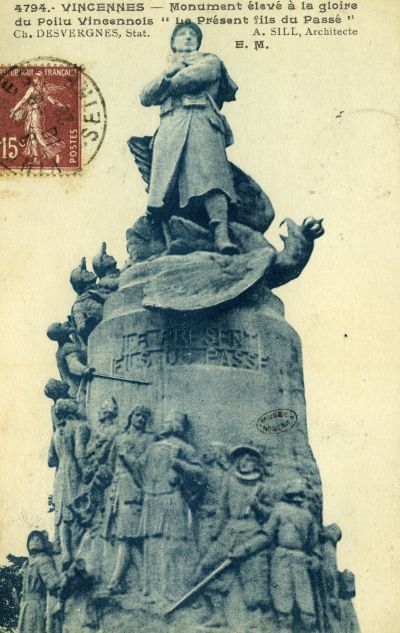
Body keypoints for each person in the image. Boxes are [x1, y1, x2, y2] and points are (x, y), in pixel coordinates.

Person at [140, 23, 239, 255]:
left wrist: (167, 83)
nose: (187, 37)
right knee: (164, 190)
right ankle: (171, 242)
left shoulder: (210, 60)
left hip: (201, 120)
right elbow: (145, 96)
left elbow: (196, 77)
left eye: (192, 34)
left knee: (212, 179)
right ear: (173, 43)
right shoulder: (168, 69)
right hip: (170, 126)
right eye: (181, 34)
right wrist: (168, 72)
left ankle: (221, 236)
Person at [197, 445, 272, 629]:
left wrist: (257, 506)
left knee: (255, 574)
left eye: (250, 461)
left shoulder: (262, 487)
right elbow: (222, 508)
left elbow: (270, 516)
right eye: (242, 460)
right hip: (229, 531)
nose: (245, 463)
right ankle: (218, 614)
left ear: (256, 464)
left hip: (252, 532)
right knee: (207, 567)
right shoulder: (229, 481)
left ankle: (256, 618)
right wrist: (216, 532)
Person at [137, 410, 204, 605]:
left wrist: (180, 465)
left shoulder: (184, 448)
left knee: (173, 543)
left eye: (170, 421)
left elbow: (200, 474)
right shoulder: (152, 448)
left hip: (171, 498)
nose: (166, 424)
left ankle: (173, 590)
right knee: (152, 543)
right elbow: (140, 470)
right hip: (152, 498)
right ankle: (153, 590)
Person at [103, 406, 153, 594]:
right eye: (138, 415)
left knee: (125, 537)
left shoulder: (149, 440)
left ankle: (116, 581)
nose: (140, 419)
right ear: (131, 416)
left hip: (135, 490)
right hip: (117, 491)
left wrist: (128, 458)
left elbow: (145, 466)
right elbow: (110, 464)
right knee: (126, 538)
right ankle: (145, 581)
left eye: (144, 417)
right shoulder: (120, 438)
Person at [9, 71, 66, 165]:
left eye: (35, 78)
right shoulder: (44, 90)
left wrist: (14, 110)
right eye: (34, 78)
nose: (34, 80)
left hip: (35, 114)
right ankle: (36, 158)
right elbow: (53, 101)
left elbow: (23, 100)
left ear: (40, 79)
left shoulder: (33, 89)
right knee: (32, 135)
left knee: (38, 135)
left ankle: (54, 152)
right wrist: (63, 106)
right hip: (35, 114)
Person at [17, 531, 60, 633]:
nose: (34, 541)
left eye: (38, 539)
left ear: (44, 544)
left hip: (37, 606)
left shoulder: (44, 560)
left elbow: (52, 583)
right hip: (25, 606)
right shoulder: (27, 563)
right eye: (31, 539)